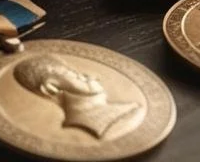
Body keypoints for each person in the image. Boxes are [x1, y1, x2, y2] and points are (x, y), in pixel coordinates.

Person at [12, 54, 142, 140]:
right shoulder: (96, 125)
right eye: (74, 74)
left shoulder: (129, 109)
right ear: (50, 88)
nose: (92, 77)